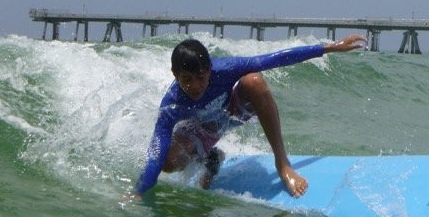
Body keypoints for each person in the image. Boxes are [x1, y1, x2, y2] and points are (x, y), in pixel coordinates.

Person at [135, 34, 366, 197]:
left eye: (201, 77)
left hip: (230, 113)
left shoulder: (225, 69)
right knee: (167, 161)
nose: (195, 86)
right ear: (175, 75)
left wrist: (328, 48)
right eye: (187, 79)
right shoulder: (171, 104)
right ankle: (211, 159)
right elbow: (156, 154)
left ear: (210, 70)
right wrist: (139, 192)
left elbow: (275, 59)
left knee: (254, 80)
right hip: (199, 130)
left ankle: (282, 163)